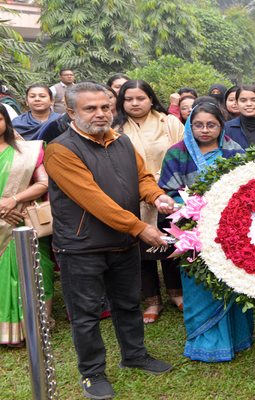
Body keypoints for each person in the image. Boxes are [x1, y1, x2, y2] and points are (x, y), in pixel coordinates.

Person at [45, 82, 176, 399]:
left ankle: (134, 356)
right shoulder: (60, 150)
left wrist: (157, 197)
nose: (101, 114)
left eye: (105, 107)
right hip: (82, 248)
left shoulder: (122, 141)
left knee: (128, 303)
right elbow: (94, 200)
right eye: (91, 108)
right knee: (86, 315)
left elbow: (142, 177)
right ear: (72, 111)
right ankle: (91, 373)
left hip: (123, 243)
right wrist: (141, 228)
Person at [157, 102, 254, 362]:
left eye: (211, 125)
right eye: (198, 125)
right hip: (192, 232)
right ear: (189, 125)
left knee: (231, 282)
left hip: (230, 231)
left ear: (221, 126)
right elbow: (167, 191)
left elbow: (249, 191)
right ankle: (205, 340)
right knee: (199, 284)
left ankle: (236, 338)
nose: (204, 130)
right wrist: (190, 208)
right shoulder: (177, 153)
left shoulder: (234, 150)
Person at [112, 79, 185, 324]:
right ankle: (153, 300)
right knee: (142, 249)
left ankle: (177, 293)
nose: (135, 103)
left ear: (151, 99)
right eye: (128, 99)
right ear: (122, 102)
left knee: (172, 244)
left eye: (140, 98)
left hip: (169, 193)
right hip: (132, 195)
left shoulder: (170, 122)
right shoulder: (115, 127)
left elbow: (184, 153)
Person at [0, 106, 52, 348]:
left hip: (22, 221)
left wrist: (14, 201)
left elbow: (43, 183)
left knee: (32, 272)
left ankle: (32, 325)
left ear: (7, 121)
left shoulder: (27, 151)